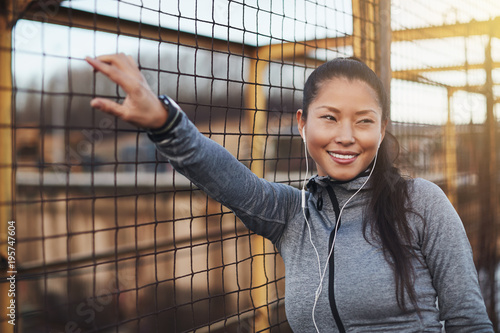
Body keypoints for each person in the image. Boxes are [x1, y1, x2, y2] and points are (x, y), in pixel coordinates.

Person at [85, 54, 493, 332]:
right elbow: (224, 176)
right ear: (302, 123)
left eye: (364, 121)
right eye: (329, 118)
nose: (346, 137)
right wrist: (163, 120)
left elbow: (468, 320)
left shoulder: (420, 202)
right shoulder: (291, 214)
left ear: (382, 129)